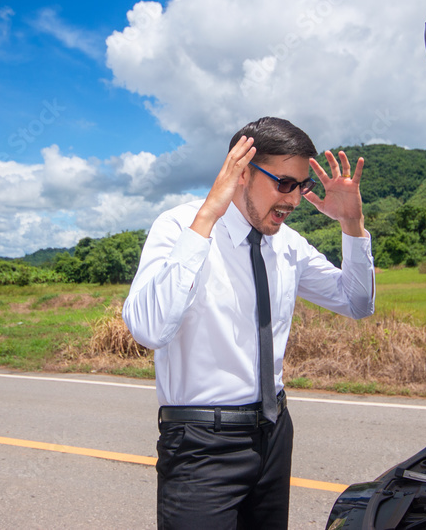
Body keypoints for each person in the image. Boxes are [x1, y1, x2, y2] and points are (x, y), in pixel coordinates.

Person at [122, 116, 375, 529]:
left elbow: (357, 302)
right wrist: (207, 217)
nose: (294, 201)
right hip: (202, 442)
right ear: (241, 171)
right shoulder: (179, 227)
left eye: (302, 186)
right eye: (284, 183)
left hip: (274, 434)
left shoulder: (288, 244)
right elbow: (148, 330)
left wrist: (352, 224)